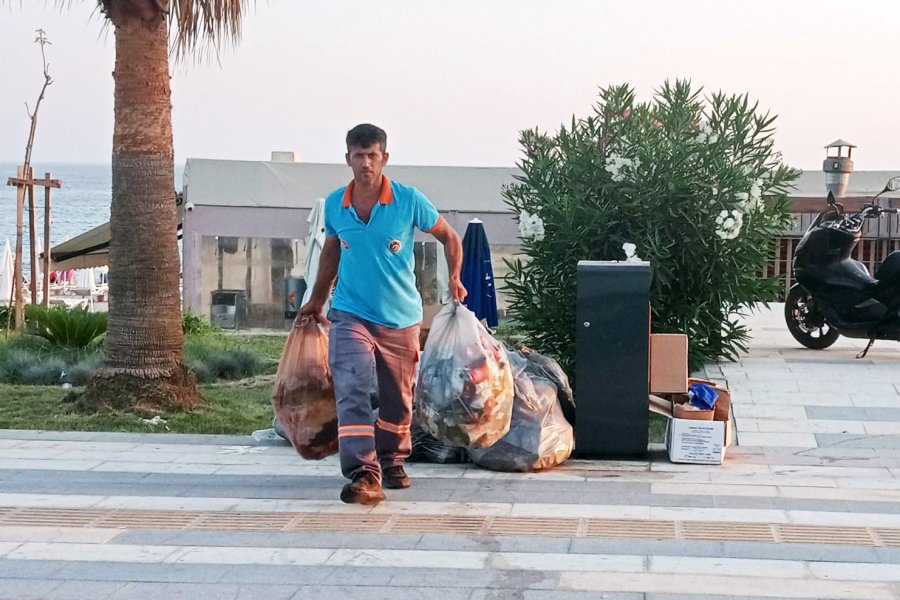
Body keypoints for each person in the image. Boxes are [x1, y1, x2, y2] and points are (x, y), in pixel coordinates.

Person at [298, 123, 466, 505]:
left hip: (400, 318)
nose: (366, 163)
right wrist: (317, 299)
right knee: (351, 388)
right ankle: (363, 472)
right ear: (348, 159)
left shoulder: (408, 200)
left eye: (373, 155)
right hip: (349, 313)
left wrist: (455, 277)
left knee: (397, 400)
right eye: (358, 156)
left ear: (384, 158)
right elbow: (331, 253)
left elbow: (449, 237)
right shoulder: (336, 204)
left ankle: (391, 460)